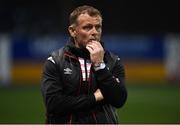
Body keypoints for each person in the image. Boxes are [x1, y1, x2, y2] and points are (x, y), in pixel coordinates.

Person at [41, 5, 127, 124]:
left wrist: (100, 65)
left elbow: (119, 100)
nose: (94, 32)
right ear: (72, 31)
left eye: (98, 27)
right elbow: (54, 104)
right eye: (87, 27)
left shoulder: (112, 61)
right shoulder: (56, 61)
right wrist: (95, 97)